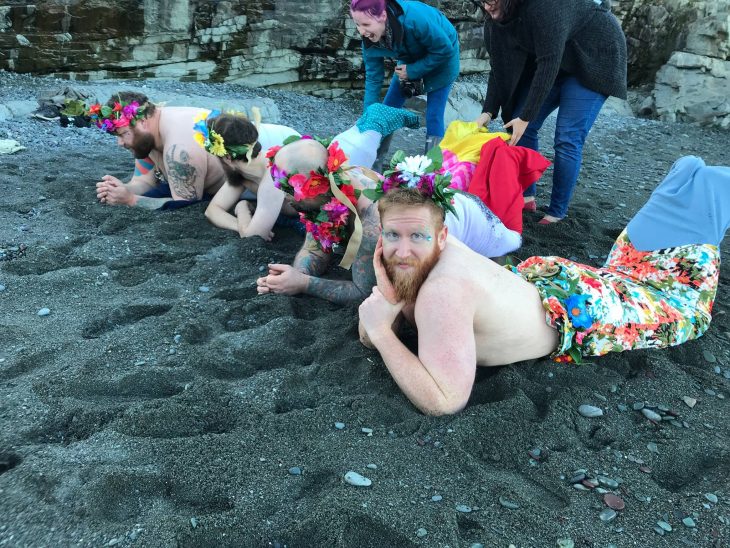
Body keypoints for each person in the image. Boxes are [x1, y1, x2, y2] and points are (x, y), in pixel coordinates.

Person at [358, 156, 729, 415]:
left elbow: (444, 400)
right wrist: (387, 295)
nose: (402, 250)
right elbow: (374, 325)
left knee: (684, 310)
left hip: (583, 307)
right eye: (392, 234)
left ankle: (705, 186)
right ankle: (692, 179)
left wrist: (382, 330)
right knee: (634, 263)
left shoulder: (442, 292)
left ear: (442, 236)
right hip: (547, 282)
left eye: (416, 236)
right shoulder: (405, 248)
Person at [256, 139, 522, 305]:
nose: (287, 198)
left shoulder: (374, 219)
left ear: (317, 187)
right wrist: (294, 275)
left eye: (291, 190)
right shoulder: (331, 195)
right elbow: (315, 247)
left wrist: (303, 284)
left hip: (480, 232)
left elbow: (364, 291)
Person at [474, 0, 627, 224]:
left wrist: (527, 116)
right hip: (557, 59)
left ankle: (556, 211)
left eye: (492, 0)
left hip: (594, 56)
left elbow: (548, 62)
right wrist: (487, 112)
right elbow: (499, 67)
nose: (487, 6)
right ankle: (527, 196)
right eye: (482, 1)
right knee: (519, 128)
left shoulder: (544, 6)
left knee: (567, 137)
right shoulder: (496, 20)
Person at [350, 0, 460, 156]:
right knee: (385, 111)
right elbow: (374, 79)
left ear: (383, 15)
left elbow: (444, 49)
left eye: (366, 25)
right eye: (357, 24)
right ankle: (372, 162)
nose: (361, 31)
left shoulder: (415, 19)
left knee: (434, 114)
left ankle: (433, 170)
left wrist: (414, 70)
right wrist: (369, 118)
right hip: (410, 56)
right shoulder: (368, 39)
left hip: (443, 57)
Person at [90, 91, 226, 210]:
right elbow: (144, 181)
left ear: (143, 121)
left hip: (234, 195)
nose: (119, 143)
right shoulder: (146, 134)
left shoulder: (179, 147)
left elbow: (184, 206)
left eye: (123, 134)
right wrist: (122, 190)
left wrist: (130, 199)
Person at [195, 110, 301, 239]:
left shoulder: (274, 170)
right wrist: (242, 225)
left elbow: (254, 235)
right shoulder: (243, 175)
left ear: (227, 157)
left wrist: (241, 209)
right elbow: (212, 211)